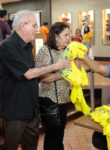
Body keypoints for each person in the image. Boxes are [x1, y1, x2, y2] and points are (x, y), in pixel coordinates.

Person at [0, 10, 71, 150]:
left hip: (31, 108)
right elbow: (28, 74)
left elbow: (35, 75)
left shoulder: (27, 46)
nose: (37, 29)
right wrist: (56, 66)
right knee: (11, 146)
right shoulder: (7, 46)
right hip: (15, 110)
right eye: (34, 25)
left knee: (31, 145)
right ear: (22, 25)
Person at [36, 22, 71, 150]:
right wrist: (64, 74)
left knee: (60, 133)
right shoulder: (45, 51)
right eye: (66, 35)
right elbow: (43, 78)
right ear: (56, 36)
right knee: (51, 136)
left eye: (69, 35)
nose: (69, 38)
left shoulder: (66, 51)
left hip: (63, 98)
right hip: (49, 99)